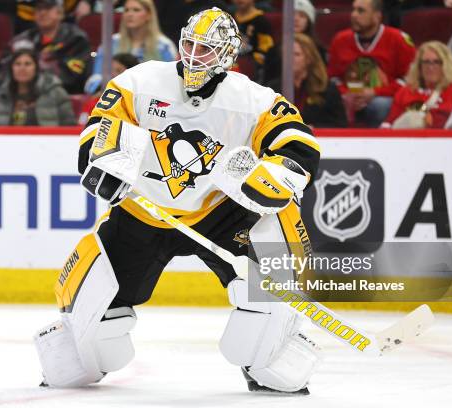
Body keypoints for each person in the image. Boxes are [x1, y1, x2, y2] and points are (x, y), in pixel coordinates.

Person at [34, 7, 322, 395]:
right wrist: (105, 163)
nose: (192, 55)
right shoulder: (138, 81)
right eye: (188, 43)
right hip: (144, 212)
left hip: (219, 212)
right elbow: (101, 128)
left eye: (205, 49)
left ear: (227, 56)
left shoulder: (254, 100)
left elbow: (298, 144)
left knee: (275, 255)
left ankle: (270, 356)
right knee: (89, 333)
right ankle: (82, 351)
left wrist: (272, 177)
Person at [327, 0, 416, 127]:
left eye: (361, 11)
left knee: (380, 105)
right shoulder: (340, 40)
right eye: (353, 10)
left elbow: (409, 80)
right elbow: (333, 77)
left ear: (377, 16)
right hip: (347, 97)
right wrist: (347, 93)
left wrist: (375, 92)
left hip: (383, 98)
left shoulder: (399, 40)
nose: (354, 15)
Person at [84, 0, 177, 95]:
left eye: (136, 10)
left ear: (149, 15)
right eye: (126, 10)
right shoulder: (110, 43)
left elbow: (171, 82)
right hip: (113, 97)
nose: (130, 14)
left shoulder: (164, 46)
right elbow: (94, 79)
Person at [11, 0, 91, 94]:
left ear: (60, 13)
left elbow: (71, 77)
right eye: (39, 9)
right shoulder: (23, 39)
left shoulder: (76, 39)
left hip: (64, 94)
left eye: (48, 8)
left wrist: (37, 68)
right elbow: (7, 71)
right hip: (27, 93)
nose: (42, 13)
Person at [268, 34, 347, 128]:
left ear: (309, 59)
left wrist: (314, 128)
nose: (289, 59)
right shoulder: (272, 89)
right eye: (287, 54)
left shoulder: (327, 89)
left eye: (296, 54)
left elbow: (339, 124)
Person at [0, 48, 76, 126]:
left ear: (36, 68)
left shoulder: (54, 92)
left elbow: (69, 125)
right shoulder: (1, 95)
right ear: (11, 68)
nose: (22, 68)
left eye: (28, 64)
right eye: (17, 64)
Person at [382, 41, 452, 129]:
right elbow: (390, 123)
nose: (430, 67)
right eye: (426, 62)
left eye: (436, 62)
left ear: (445, 65)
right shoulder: (405, 92)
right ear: (419, 66)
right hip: (407, 140)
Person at [78, 52, 139, 124]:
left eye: (118, 70)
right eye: (111, 70)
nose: (113, 74)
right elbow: (82, 125)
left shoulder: (139, 103)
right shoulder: (96, 102)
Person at [232, 0, 274, 81]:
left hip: (254, 70)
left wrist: (255, 61)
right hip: (232, 65)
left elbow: (266, 47)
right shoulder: (230, 18)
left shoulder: (261, 20)